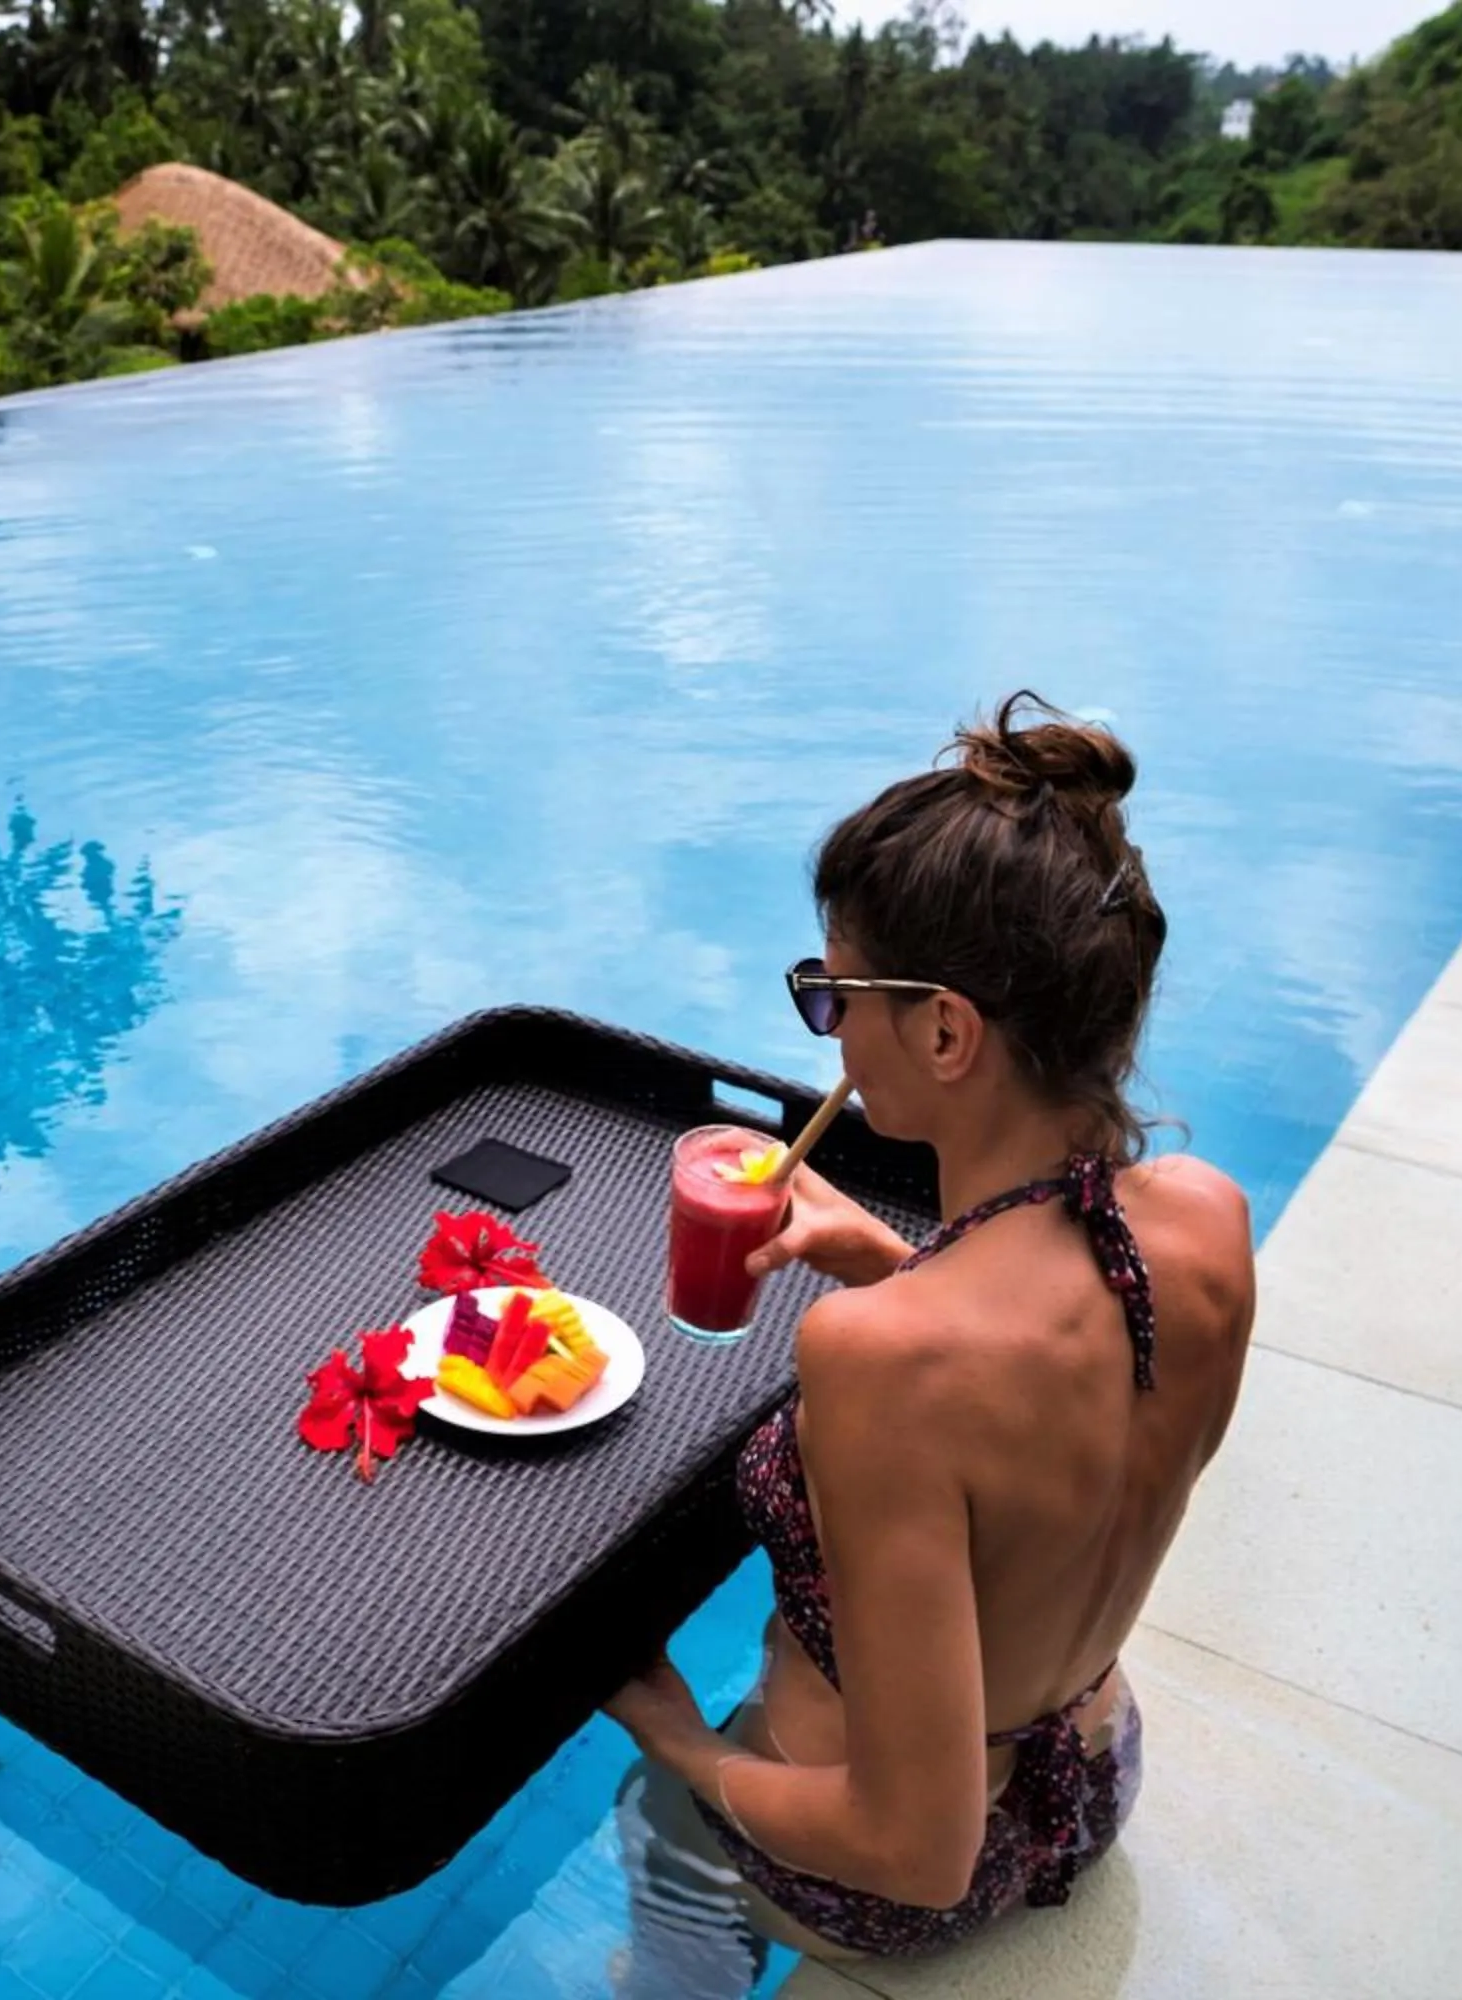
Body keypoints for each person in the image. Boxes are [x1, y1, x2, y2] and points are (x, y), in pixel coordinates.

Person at [604, 692, 1257, 1971]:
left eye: (836, 994)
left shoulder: (884, 1360)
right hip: (1091, 1774)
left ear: (946, 1029)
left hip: (884, 1881)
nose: (833, 1027)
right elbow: (1056, 1405)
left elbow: (918, 1846)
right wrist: (895, 1256)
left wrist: (684, 1747)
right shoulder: (1206, 1223)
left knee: (653, 1828)